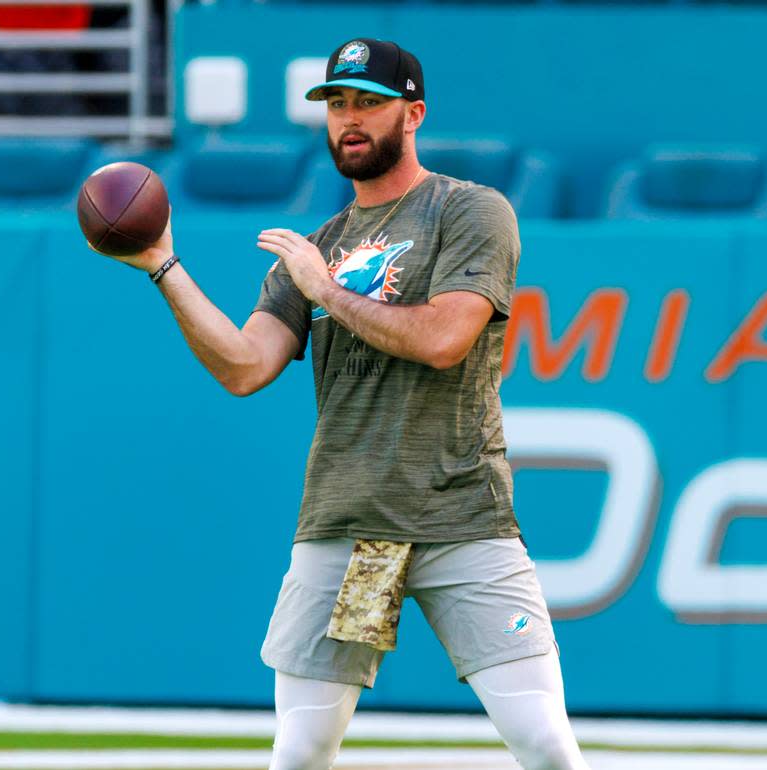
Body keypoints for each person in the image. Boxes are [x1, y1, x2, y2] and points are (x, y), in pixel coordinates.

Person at [104, 38, 590, 770]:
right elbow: (244, 367)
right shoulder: (319, 243)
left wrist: (325, 288)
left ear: (413, 113)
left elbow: (445, 339)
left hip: (460, 517)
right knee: (300, 752)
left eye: (368, 102)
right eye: (336, 104)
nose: (349, 119)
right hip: (352, 527)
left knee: (546, 745)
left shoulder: (469, 211)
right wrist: (163, 266)